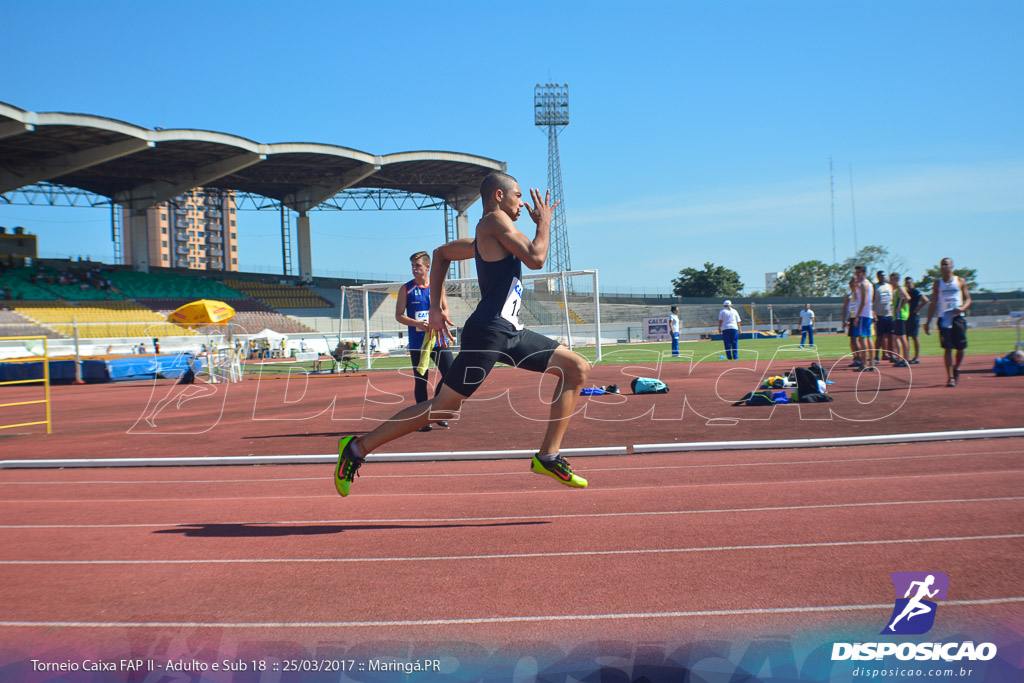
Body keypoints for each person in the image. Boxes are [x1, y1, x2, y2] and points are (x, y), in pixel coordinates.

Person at [334, 173, 591, 496]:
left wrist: (437, 305)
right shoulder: (494, 222)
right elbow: (537, 258)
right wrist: (545, 223)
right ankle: (356, 449)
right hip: (488, 333)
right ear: (499, 196)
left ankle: (548, 456)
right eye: (518, 196)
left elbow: (440, 254)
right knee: (442, 407)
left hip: (509, 331)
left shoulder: (489, 235)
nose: (523, 203)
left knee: (577, 368)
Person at [396, 250, 455, 432]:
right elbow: (399, 316)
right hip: (418, 343)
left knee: (451, 374)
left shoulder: (437, 287)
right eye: (412, 266)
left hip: (438, 339)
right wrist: (417, 323)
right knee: (421, 380)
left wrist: (440, 317)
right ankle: (422, 419)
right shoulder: (406, 289)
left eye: (418, 266)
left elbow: (446, 309)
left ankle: (436, 410)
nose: (414, 269)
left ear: (427, 267)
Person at [925, 257, 972, 387]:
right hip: (944, 318)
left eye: (947, 265)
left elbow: (968, 299)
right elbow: (933, 303)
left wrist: (962, 308)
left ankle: (956, 368)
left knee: (961, 348)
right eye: (942, 265)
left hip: (958, 317)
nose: (944, 267)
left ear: (952, 266)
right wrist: (928, 322)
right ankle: (950, 376)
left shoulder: (960, 281)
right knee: (947, 348)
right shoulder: (937, 284)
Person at [852, 265, 875, 371]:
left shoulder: (863, 285)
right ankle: (872, 363)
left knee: (862, 339)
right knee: (868, 338)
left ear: (864, 273)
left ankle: (864, 364)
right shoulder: (869, 284)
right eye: (856, 273)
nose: (856, 275)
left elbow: (863, 301)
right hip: (868, 314)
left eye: (858, 273)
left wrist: (857, 316)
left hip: (863, 315)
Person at [904, 276, 929, 364]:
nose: (908, 284)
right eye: (907, 283)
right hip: (906, 317)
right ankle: (906, 356)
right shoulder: (906, 292)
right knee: (906, 337)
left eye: (910, 282)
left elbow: (925, 300)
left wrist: (917, 309)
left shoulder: (916, 291)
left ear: (913, 283)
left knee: (914, 336)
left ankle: (916, 357)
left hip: (913, 317)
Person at [873, 270, 894, 364]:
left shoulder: (889, 286)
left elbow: (891, 300)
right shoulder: (875, 287)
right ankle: (876, 356)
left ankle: (891, 355)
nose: (883, 277)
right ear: (878, 277)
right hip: (879, 315)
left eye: (884, 275)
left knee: (891, 336)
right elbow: (872, 301)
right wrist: (874, 313)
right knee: (879, 337)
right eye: (881, 276)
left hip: (889, 314)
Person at [889, 273, 909, 367]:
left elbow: (907, 297)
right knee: (896, 337)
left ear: (897, 279)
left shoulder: (900, 288)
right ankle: (899, 358)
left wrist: (900, 307)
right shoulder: (896, 290)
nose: (890, 281)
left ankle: (905, 359)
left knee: (902, 337)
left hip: (900, 316)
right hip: (896, 316)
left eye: (892, 279)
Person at [841, 277, 861, 366]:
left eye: (854, 283)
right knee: (852, 340)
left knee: (858, 339)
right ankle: (855, 357)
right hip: (852, 318)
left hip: (859, 318)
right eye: (851, 284)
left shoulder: (860, 295)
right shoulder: (849, 297)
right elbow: (845, 309)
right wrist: (844, 320)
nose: (852, 285)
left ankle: (860, 357)